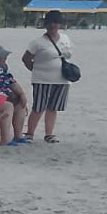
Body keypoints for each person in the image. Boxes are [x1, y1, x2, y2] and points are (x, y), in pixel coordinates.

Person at [23, 10, 74, 143]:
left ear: (60, 24)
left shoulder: (65, 38)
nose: (53, 26)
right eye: (50, 23)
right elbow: (26, 58)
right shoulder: (38, 42)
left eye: (56, 23)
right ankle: (30, 133)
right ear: (45, 25)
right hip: (42, 79)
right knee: (38, 107)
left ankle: (49, 134)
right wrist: (35, 70)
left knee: (53, 107)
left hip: (61, 79)